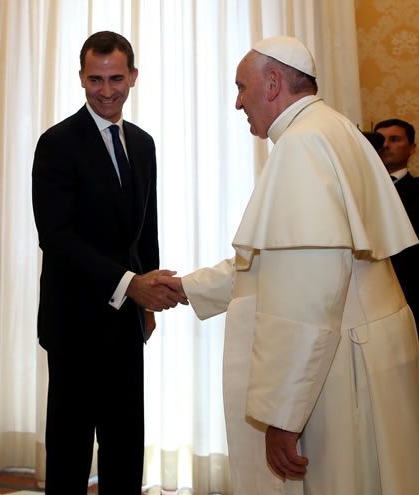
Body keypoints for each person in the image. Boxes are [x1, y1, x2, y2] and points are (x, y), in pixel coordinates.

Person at [157, 36, 419, 494]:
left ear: (274, 82)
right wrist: (185, 288)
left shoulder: (302, 144)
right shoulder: (332, 127)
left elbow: (310, 292)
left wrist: (283, 414)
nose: (238, 102)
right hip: (367, 344)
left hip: (340, 366)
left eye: (242, 87)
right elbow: (274, 264)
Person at [31, 31, 186, 494]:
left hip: (126, 324)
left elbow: (146, 227)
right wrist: (128, 285)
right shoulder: (56, 142)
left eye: (115, 78)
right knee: (69, 453)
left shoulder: (142, 143)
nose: (105, 89)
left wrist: (149, 301)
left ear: (133, 77)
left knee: (125, 446)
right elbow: (56, 238)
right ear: (80, 77)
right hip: (73, 324)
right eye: (95, 78)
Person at [374, 118, 419, 325]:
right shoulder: (357, 190)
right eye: (380, 140)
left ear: (412, 148)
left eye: (394, 139)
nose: (385, 145)